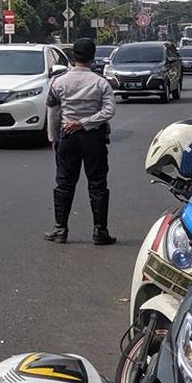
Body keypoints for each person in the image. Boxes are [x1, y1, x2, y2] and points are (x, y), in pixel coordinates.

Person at [44, 38, 117, 245]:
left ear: (72, 56)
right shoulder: (100, 82)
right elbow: (109, 111)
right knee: (98, 184)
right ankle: (100, 231)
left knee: (64, 183)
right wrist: (85, 122)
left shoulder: (58, 82)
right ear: (93, 57)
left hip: (68, 137)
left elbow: (53, 112)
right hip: (94, 138)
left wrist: (54, 138)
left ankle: (60, 230)